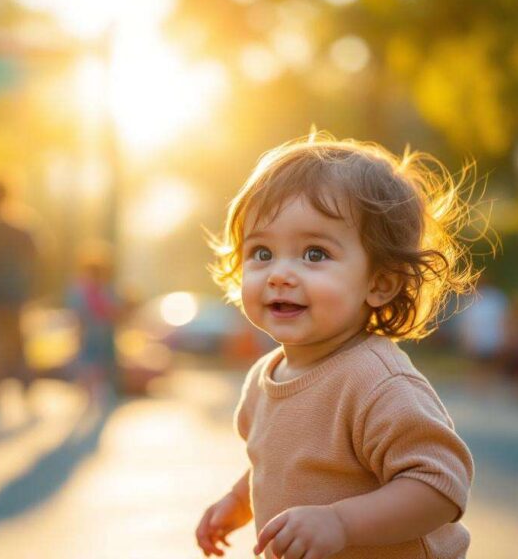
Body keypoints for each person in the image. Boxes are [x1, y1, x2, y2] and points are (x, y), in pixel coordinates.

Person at [196, 136, 477, 559]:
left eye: (314, 253)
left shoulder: (376, 381)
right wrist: (237, 503)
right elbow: (274, 464)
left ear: (380, 282)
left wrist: (341, 522)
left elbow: (441, 486)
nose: (280, 274)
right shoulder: (263, 377)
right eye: (262, 252)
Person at [0, 181, 38, 416]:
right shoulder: (23, 228)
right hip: (15, 293)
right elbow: (37, 260)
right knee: (18, 345)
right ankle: (26, 395)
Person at [66, 241, 121, 403]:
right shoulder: (102, 289)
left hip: (96, 332)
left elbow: (77, 311)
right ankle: (94, 392)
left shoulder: (84, 288)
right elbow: (112, 310)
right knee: (97, 362)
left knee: (93, 363)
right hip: (98, 332)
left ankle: (93, 392)